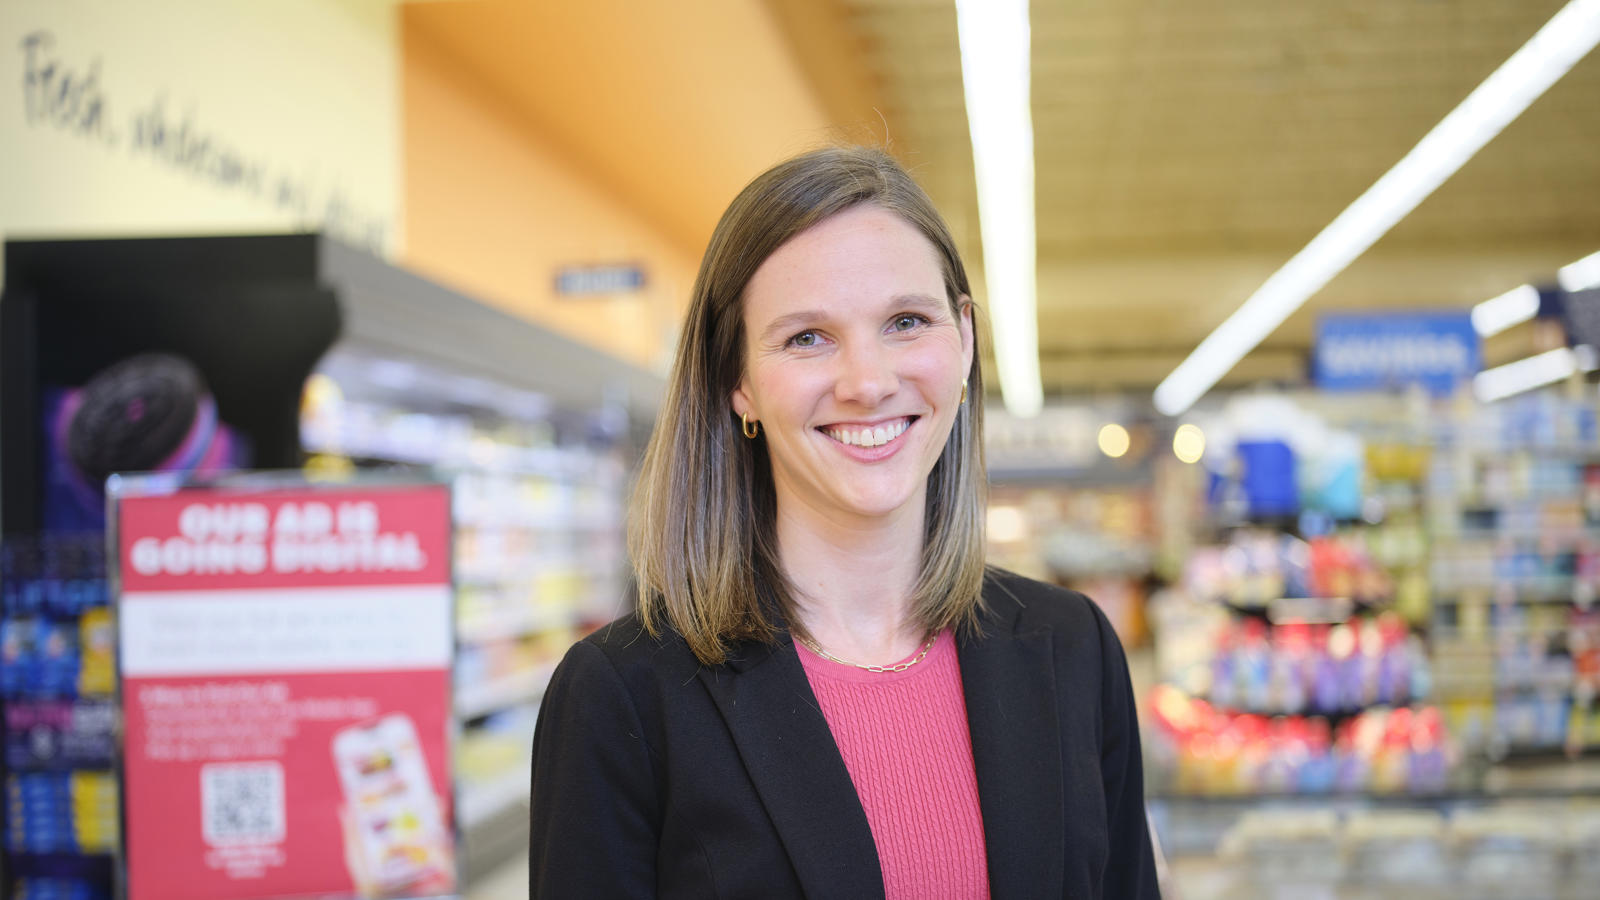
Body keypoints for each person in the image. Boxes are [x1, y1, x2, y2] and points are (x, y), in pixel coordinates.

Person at [528, 146, 1159, 899]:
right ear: (738, 380)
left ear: (963, 340)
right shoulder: (622, 695)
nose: (867, 382)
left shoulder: (1072, 648)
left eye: (906, 321)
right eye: (807, 337)